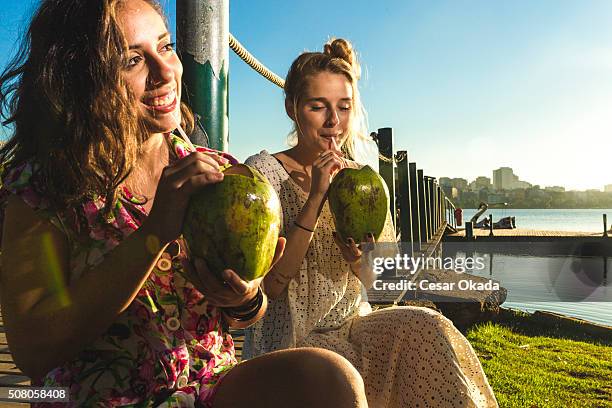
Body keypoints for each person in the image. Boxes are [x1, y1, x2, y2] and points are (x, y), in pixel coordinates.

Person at [0, 1, 369, 407]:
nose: (165, 73)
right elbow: (34, 350)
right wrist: (154, 233)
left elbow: (251, 310)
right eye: (133, 60)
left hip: (208, 388)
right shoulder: (46, 187)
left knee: (330, 378)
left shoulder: (223, 177)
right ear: (81, 79)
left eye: (166, 47)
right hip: (100, 398)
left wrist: (244, 299)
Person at [243, 38, 499, 408]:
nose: (334, 121)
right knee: (340, 375)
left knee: (428, 327)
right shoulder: (264, 172)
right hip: (290, 339)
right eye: (318, 107)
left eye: (344, 108)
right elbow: (272, 284)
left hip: (353, 326)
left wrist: (360, 262)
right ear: (292, 108)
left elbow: (380, 284)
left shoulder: (365, 182)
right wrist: (315, 198)